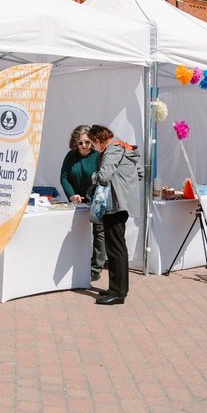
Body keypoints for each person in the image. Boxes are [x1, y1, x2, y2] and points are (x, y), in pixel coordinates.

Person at [87, 124, 141, 306]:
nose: (94, 148)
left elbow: (103, 175)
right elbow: (139, 173)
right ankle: (117, 288)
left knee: (116, 248)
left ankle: (118, 293)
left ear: (97, 140)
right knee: (117, 247)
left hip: (115, 204)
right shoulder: (123, 146)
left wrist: (93, 177)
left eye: (93, 144)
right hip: (120, 203)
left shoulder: (112, 149)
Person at [60, 124, 106, 281]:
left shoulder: (97, 155)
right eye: (81, 143)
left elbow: (103, 177)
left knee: (99, 232)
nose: (84, 145)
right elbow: (64, 177)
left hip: (96, 198)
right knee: (76, 231)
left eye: (87, 142)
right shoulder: (70, 156)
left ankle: (96, 267)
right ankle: (76, 262)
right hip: (77, 201)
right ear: (75, 143)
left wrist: (95, 195)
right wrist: (72, 195)